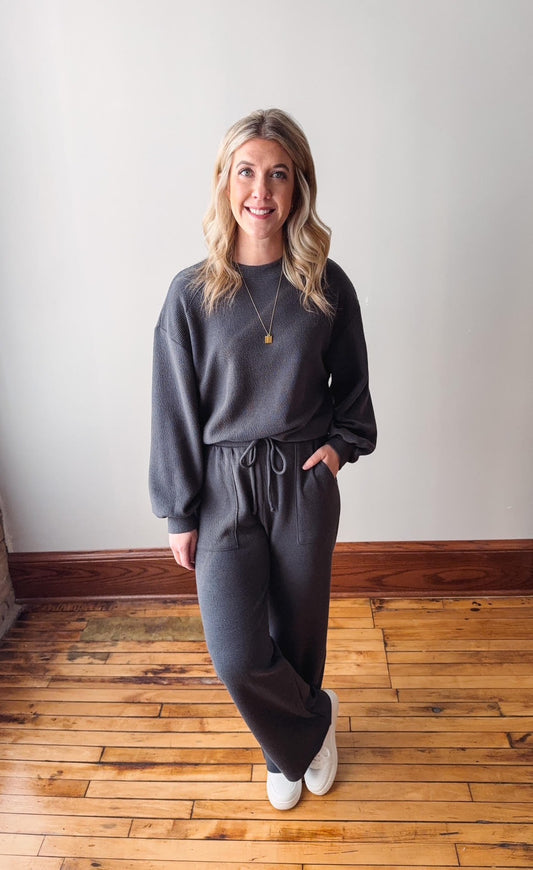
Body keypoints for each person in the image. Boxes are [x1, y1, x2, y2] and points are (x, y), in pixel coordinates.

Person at [150, 108, 377, 810]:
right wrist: (177, 510)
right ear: (223, 183)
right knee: (237, 654)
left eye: (278, 173)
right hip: (222, 486)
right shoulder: (191, 293)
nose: (261, 189)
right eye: (246, 171)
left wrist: (336, 453)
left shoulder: (324, 282)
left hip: (301, 479)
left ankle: (288, 748)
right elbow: (173, 410)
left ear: (297, 186)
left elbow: (355, 394)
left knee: (299, 629)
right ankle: (307, 729)